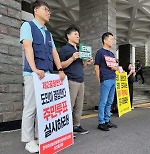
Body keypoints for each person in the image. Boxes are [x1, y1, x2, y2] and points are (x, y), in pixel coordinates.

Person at [20, 0, 65, 153]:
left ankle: (41, 137)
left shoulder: (48, 33)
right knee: (30, 108)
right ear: (35, 10)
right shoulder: (28, 26)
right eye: (45, 9)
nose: (49, 13)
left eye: (49, 11)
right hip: (33, 74)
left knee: (44, 108)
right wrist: (34, 69)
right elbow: (27, 47)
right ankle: (28, 140)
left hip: (47, 75)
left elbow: (54, 52)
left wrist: (60, 70)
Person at [59, 26, 93, 135]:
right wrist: (72, 58)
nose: (78, 36)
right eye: (75, 34)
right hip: (71, 80)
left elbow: (80, 67)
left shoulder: (78, 50)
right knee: (69, 105)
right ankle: (66, 129)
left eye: (78, 34)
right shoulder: (64, 49)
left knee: (79, 105)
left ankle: (76, 125)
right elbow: (60, 65)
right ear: (68, 36)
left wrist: (86, 64)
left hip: (80, 80)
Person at [94, 32, 118, 131]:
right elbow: (96, 67)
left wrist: (115, 68)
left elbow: (116, 67)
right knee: (103, 102)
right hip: (106, 79)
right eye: (111, 39)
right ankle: (101, 122)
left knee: (110, 101)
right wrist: (100, 80)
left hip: (113, 78)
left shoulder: (112, 54)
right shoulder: (100, 52)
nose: (113, 41)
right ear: (105, 40)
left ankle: (107, 120)